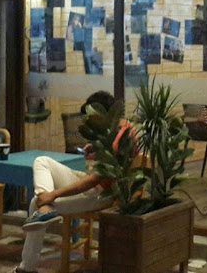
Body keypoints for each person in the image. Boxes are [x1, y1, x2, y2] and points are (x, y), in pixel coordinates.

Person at [14, 91, 133, 273]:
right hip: (90, 181)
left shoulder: (118, 140)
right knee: (42, 161)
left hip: (102, 194)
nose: (90, 122)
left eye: (93, 117)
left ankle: (27, 268)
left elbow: (93, 181)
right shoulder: (121, 128)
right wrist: (96, 149)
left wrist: (54, 194)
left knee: (35, 203)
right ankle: (46, 207)